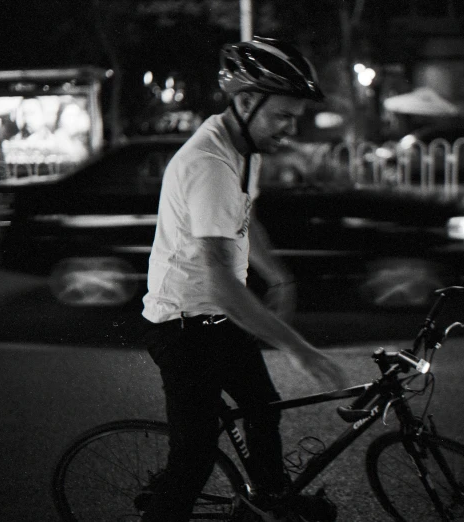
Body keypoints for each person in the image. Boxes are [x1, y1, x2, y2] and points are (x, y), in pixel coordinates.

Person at [138, 37, 348, 521]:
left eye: (295, 118)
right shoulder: (209, 165)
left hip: (214, 317)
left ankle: (270, 502)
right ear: (247, 102)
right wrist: (300, 349)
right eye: (283, 117)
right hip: (183, 327)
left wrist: (280, 277)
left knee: (262, 406)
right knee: (191, 460)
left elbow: (244, 217)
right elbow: (222, 286)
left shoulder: (238, 146)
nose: (290, 129)